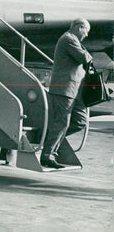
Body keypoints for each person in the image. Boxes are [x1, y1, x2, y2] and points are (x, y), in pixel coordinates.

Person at [39, 18, 93, 169]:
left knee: (80, 122)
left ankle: (48, 142)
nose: (87, 35)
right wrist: (87, 55)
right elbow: (84, 58)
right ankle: (48, 155)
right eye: (86, 31)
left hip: (75, 90)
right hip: (65, 88)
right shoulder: (68, 39)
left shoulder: (73, 40)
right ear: (79, 27)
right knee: (62, 122)